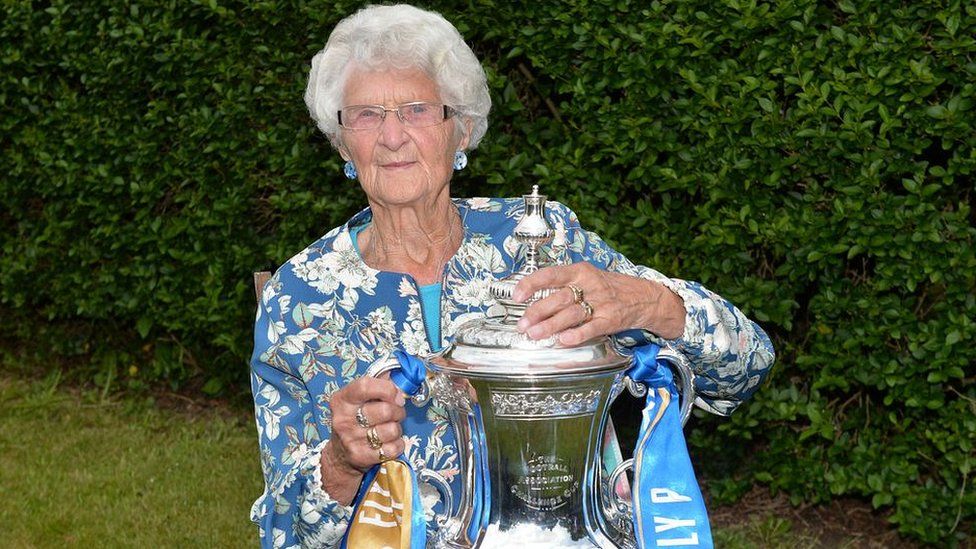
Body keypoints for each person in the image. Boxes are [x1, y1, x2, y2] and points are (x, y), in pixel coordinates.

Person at [249, 4, 775, 547]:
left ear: (463, 132)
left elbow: (746, 368)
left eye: (417, 109)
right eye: (366, 115)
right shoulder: (299, 296)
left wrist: (648, 303)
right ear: (343, 145)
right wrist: (338, 465)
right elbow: (283, 532)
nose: (392, 137)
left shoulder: (545, 242)